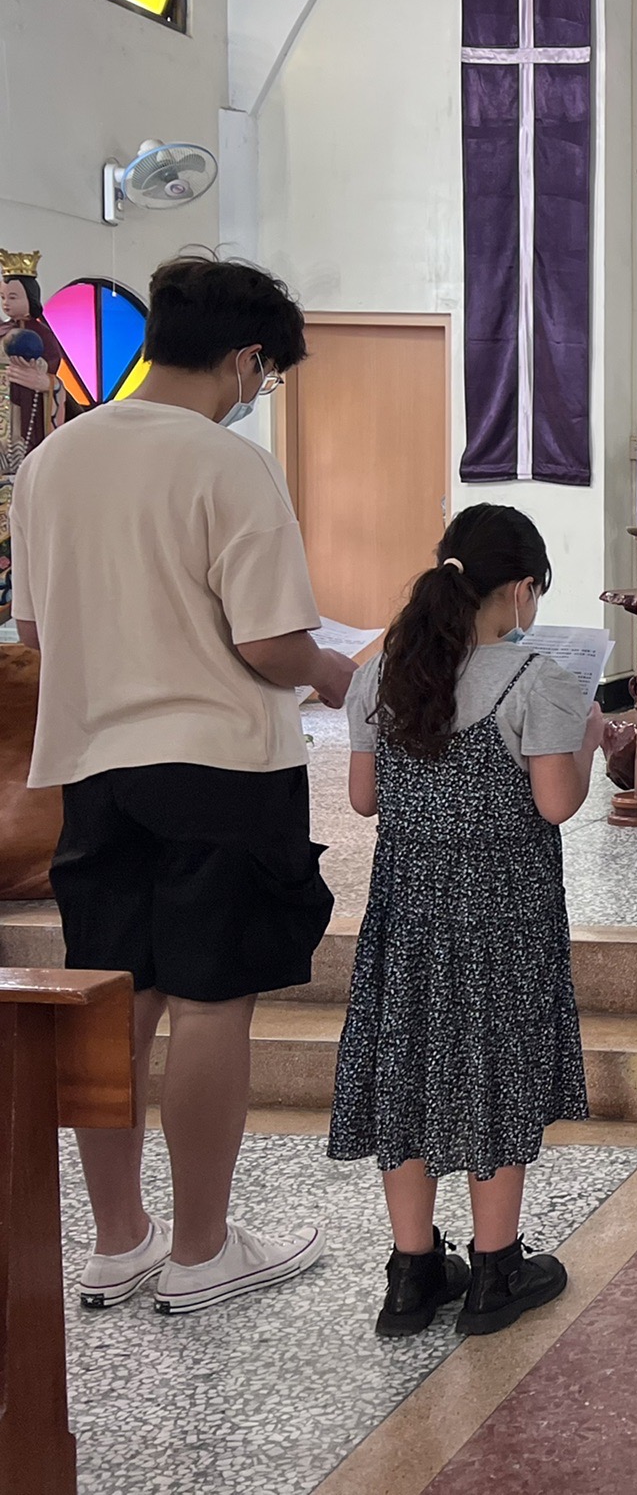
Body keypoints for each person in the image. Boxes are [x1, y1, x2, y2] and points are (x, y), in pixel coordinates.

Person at [12, 255, 353, 1314]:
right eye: (267, 374)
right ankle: (203, 1250)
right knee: (211, 1002)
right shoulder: (229, 465)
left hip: (91, 766)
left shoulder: (53, 461)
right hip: (220, 764)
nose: (259, 392)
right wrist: (339, 674)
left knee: (115, 999)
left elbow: (35, 631)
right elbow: (267, 643)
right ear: (247, 357)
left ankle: (118, 1241)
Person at [331, 505, 612, 1337]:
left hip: (408, 909)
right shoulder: (534, 679)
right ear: (521, 590)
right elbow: (555, 805)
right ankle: (495, 1271)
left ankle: (411, 1274)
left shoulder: (384, 673)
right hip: (503, 912)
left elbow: (363, 798)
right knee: (495, 1068)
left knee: (407, 1067)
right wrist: (589, 739)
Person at [1, 256, 77, 619]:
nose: (6, 302)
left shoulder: (40, 335)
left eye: (13, 296)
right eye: (3, 296)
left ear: (30, 297)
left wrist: (43, 381)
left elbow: (52, 377)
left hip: (26, 421)